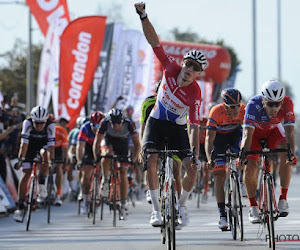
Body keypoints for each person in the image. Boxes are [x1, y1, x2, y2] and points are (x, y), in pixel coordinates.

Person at [135, 2, 205, 228]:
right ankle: (156, 210)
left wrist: (194, 152)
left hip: (177, 128)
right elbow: (154, 42)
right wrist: (144, 16)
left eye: (195, 68)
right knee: (151, 158)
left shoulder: (195, 93)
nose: (189, 69)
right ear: (182, 63)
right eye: (188, 64)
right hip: (155, 123)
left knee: (192, 167)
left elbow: (194, 126)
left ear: (198, 74)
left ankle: (181, 205)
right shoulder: (170, 68)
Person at [239, 80, 296, 223]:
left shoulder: (288, 103)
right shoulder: (253, 105)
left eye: (278, 104)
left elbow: (290, 133)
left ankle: (283, 199)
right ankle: (253, 207)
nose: (274, 108)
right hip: (255, 134)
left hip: (274, 132)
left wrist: (291, 153)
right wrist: (244, 155)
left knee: (286, 154)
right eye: (270, 104)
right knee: (251, 165)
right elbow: (247, 134)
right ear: (263, 99)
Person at [205, 88, 245, 230]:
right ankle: (222, 215)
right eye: (232, 107)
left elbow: (249, 133)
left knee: (245, 154)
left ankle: (240, 180)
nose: (236, 110)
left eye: (238, 106)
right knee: (219, 175)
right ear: (225, 105)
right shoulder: (216, 111)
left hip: (236, 135)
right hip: (219, 140)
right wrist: (210, 158)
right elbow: (209, 138)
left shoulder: (244, 110)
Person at [93, 108, 141, 219]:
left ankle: (123, 204)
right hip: (108, 141)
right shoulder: (104, 122)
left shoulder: (129, 123)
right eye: (113, 123)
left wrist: (133, 160)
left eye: (118, 123)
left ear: (123, 121)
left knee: (123, 173)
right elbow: (97, 142)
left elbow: (137, 145)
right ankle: (105, 179)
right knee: (106, 153)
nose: (116, 126)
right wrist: (97, 158)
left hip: (122, 145)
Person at [13, 106, 55, 222]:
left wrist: (51, 162)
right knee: (26, 173)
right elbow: (24, 144)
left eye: (42, 123)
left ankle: (42, 184)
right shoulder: (27, 123)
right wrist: (21, 159)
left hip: (44, 145)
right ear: (32, 120)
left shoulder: (51, 125)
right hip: (29, 147)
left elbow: (51, 147)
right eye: (37, 123)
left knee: (45, 155)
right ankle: (20, 208)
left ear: (46, 121)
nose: (39, 125)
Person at [76, 111, 105, 215]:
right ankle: (86, 200)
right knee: (86, 173)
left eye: (98, 125)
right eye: (94, 125)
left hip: (102, 147)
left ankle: (103, 186)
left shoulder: (106, 127)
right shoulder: (85, 128)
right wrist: (80, 161)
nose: (96, 128)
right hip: (89, 148)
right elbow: (80, 146)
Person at [67, 116, 86, 201]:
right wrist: (72, 157)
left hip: (85, 150)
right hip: (74, 151)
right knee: (72, 165)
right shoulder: (76, 132)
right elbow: (72, 148)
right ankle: (72, 188)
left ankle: (82, 188)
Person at [52, 117, 69, 206]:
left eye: (65, 124)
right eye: (62, 123)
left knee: (58, 168)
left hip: (58, 150)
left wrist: (64, 162)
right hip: (48, 147)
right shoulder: (47, 130)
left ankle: (58, 194)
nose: (64, 125)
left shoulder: (62, 131)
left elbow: (65, 149)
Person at [198, 117, 210, 204]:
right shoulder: (195, 119)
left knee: (205, 168)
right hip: (197, 144)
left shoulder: (208, 120)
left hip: (206, 144)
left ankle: (205, 191)